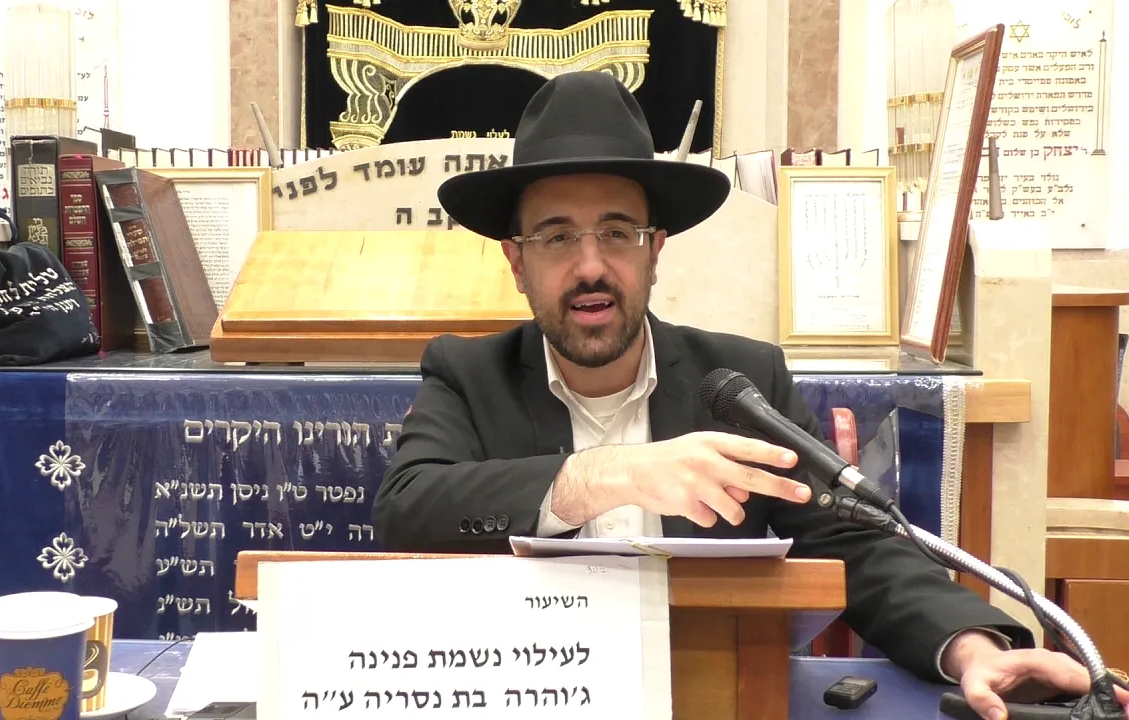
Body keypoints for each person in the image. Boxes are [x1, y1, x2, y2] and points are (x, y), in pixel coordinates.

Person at [371, 71, 1128, 719]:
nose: (591, 266)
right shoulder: (468, 375)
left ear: (655, 250)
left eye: (619, 233)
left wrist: (972, 645)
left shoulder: (740, 380)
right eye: (558, 237)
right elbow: (408, 512)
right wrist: (605, 474)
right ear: (516, 261)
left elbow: (853, 545)